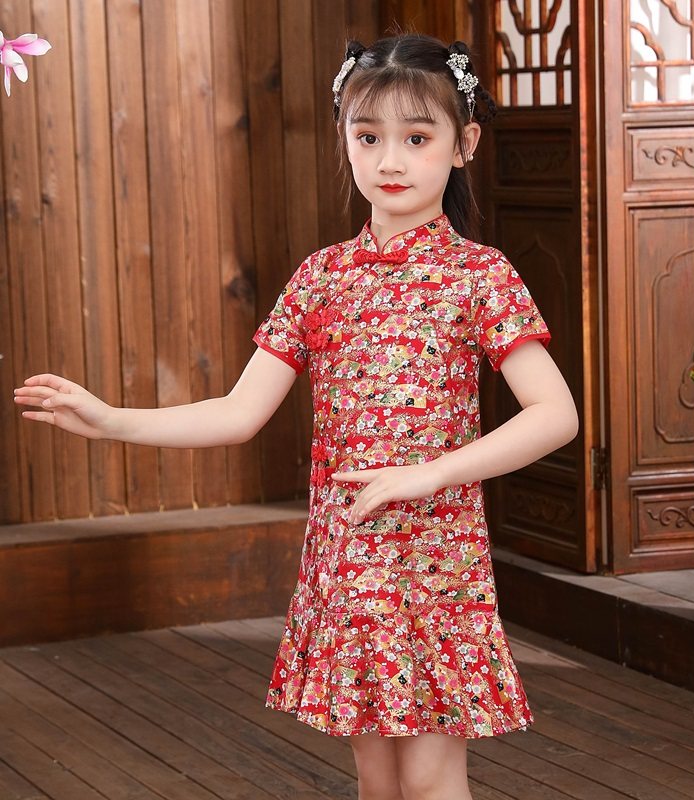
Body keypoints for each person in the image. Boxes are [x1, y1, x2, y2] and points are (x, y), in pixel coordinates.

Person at [14, 33, 578, 800]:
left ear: (464, 144)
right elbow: (238, 412)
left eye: (417, 139)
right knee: (377, 776)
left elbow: (554, 414)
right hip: (348, 557)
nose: (390, 160)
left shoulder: (479, 276)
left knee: (430, 775)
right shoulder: (322, 278)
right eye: (368, 136)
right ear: (344, 138)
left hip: (437, 560)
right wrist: (112, 420)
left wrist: (430, 474)